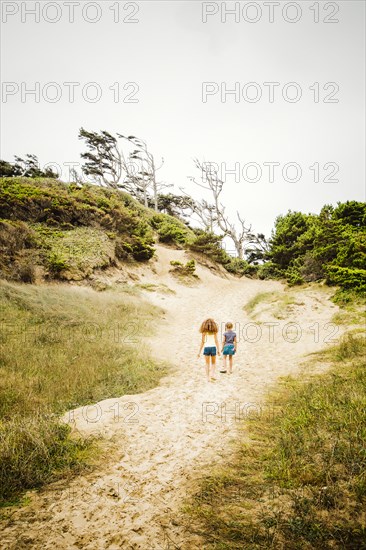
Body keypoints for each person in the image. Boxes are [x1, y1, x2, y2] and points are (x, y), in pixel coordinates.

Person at [197, 318, 220, 382]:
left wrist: (199, 352)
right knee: (213, 363)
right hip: (213, 348)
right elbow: (216, 341)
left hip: (206, 348)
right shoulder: (214, 332)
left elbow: (202, 342)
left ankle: (207, 377)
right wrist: (218, 350)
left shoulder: (204, 332)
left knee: (207, 363)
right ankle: (212, 374)